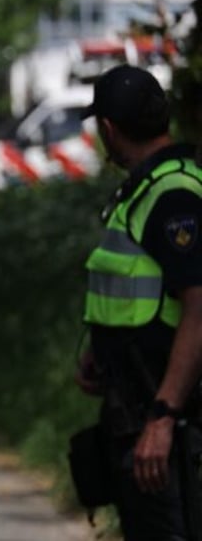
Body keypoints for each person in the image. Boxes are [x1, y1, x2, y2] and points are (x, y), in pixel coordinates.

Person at [74, 64, 202, 540]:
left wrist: (164, 417)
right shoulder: (151, 188)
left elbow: (198, 307)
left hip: (163, 423)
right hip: (133, 410)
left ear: (108, 129)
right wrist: (100, 351)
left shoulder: (172, 197)